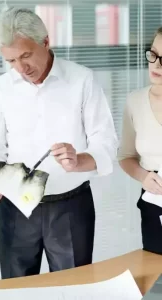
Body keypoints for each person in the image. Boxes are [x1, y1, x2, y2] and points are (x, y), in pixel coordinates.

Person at [0, 7, 118, 279]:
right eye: (11, 60)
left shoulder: (82, 80)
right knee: (17, 292)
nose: (21, 68)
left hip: (70, 208)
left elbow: (106, 142)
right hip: (15, 208)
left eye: (26, 55)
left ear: (45, 42)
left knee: (73, 290)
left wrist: (80, 161)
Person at [118, 26, 162, 255]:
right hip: (154, 205)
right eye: (153, 54)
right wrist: (144, 177)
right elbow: (125, 157)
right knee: (156, 280)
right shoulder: (135, 101)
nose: (156, 64)